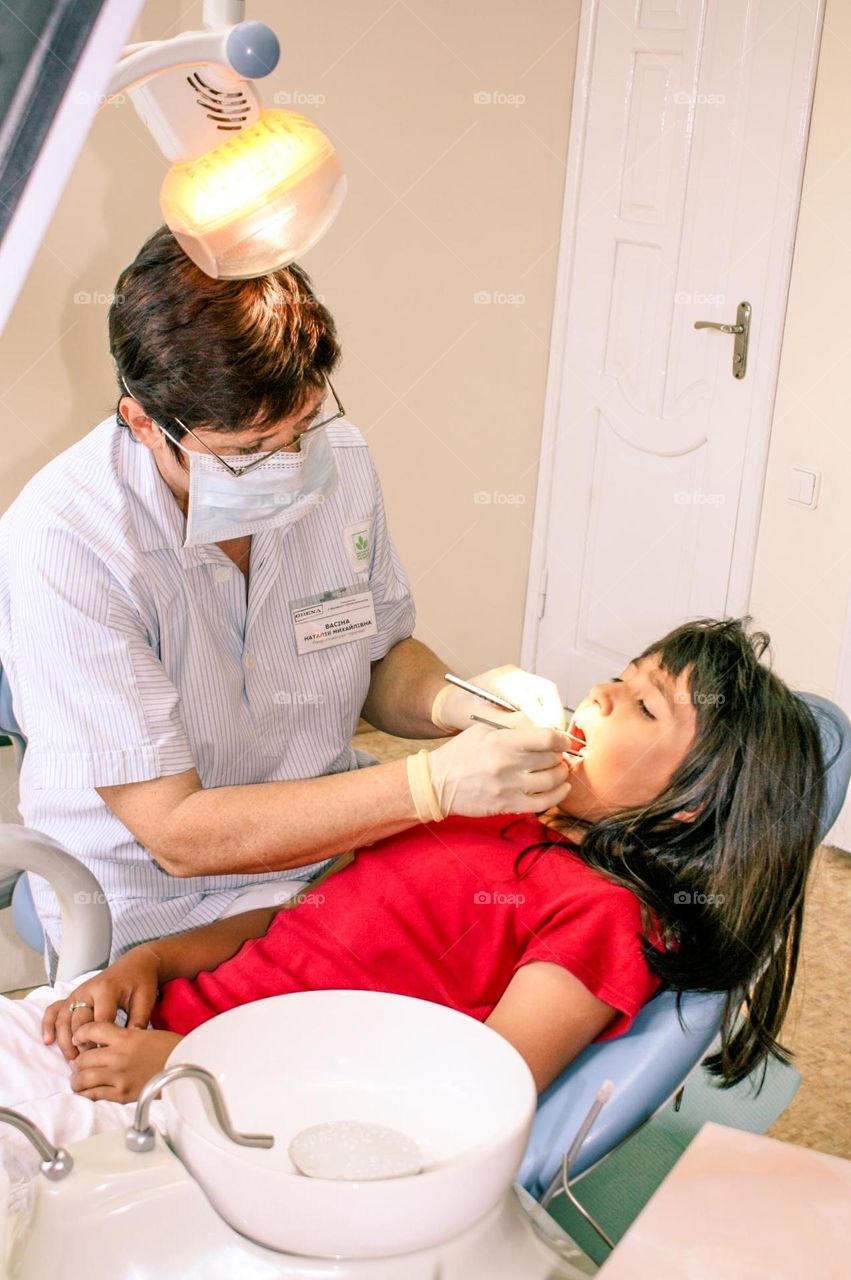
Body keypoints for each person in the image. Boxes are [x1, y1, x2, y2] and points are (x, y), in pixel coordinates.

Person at [0, 225, 572, 971]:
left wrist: (458, 699)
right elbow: (177, 834)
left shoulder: (340, 463)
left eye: (301, 427)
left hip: (326, 851)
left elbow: (376, 658)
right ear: (143, 423)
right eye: (245, 454)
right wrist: (427, 785)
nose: (290, 465)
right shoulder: (67, 542)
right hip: (154, 898)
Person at [25, 616, 823, 1109]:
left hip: (234, 1105)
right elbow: (295, 920)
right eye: (620, 676)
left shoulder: (601, 915)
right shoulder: (491, 806)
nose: (604, 695)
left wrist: (194, 1064)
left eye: (644, 705)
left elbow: (472, 1094)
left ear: (690, 804)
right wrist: (149, 962)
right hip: (160, 1024)